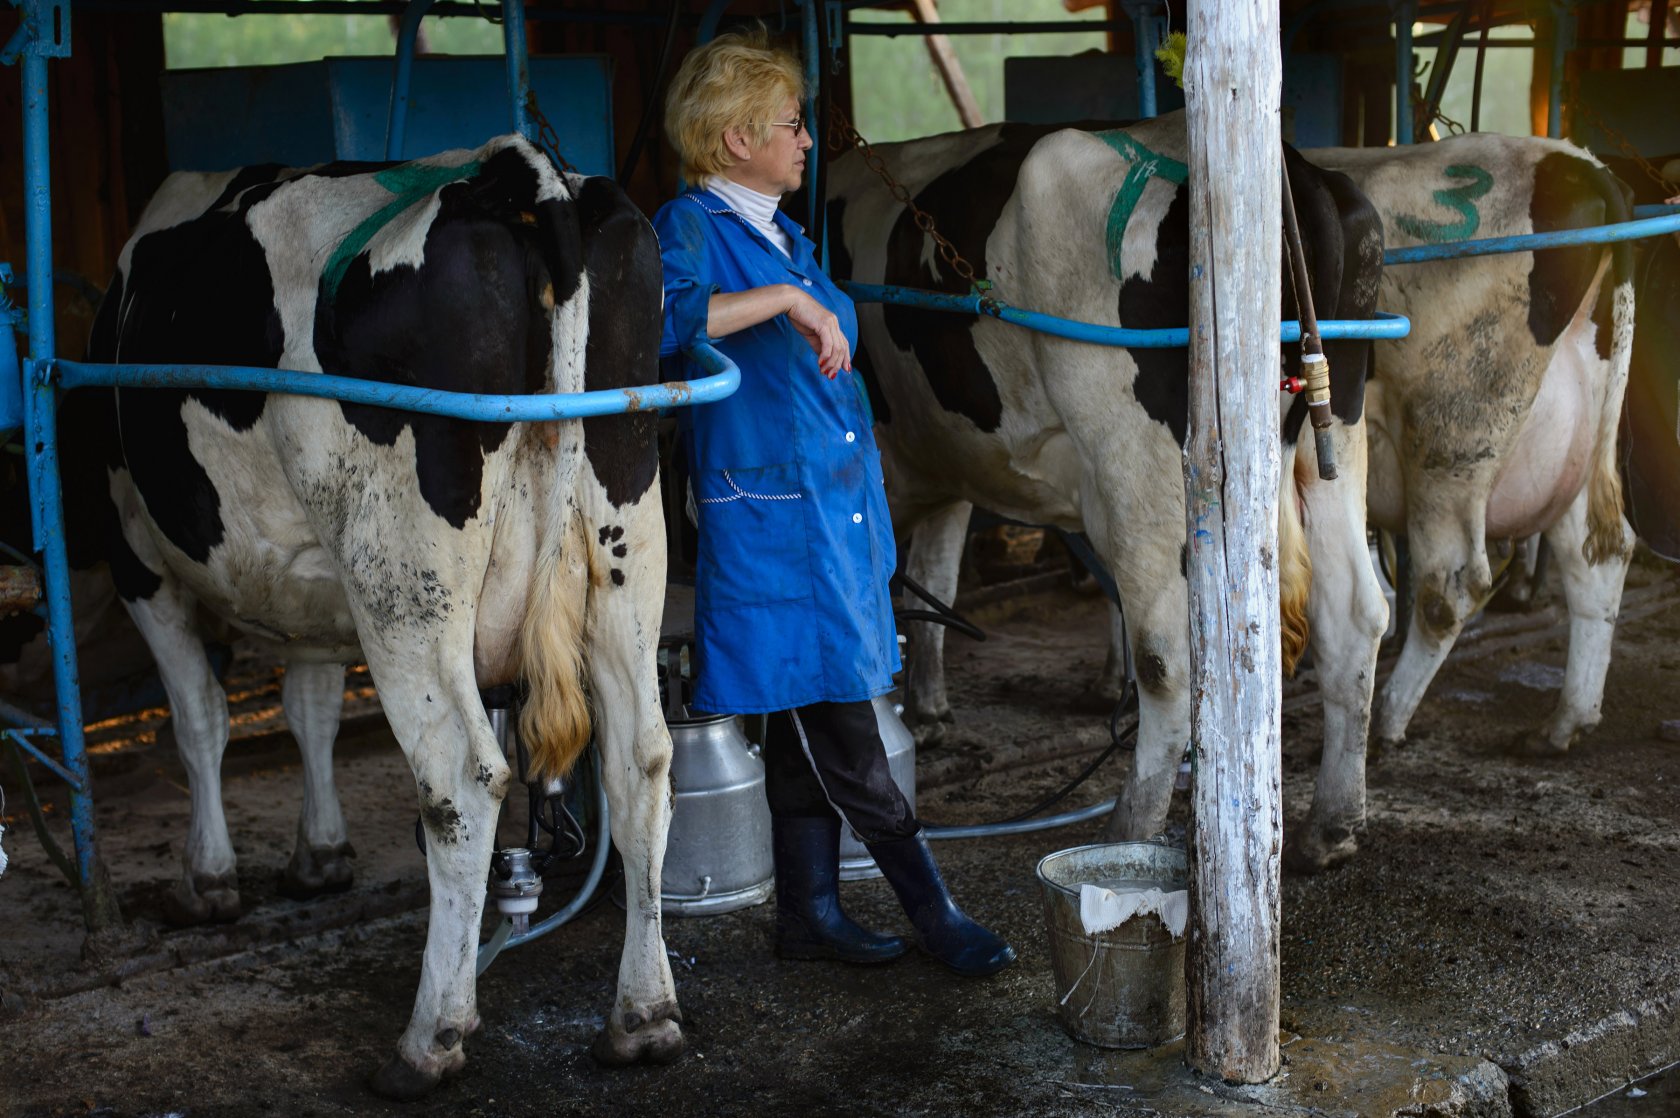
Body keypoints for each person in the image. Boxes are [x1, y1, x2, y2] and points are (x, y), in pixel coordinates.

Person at [653, 27, 1014, 978]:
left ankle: (807, 916)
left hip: (830, 517)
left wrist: (791, 287)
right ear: (735, 139)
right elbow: (659, 320)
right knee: (849, 730)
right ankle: (934, 913)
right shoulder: (693, 229)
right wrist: (785, 299)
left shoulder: (784, 234)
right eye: (791, 124)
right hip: (773, 527)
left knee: (801, 720)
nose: (807, 141)